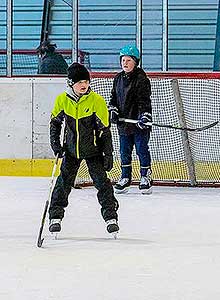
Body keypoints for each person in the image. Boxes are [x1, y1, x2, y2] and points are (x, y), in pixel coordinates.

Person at [48, 62, 119, 236]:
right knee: (63, 183)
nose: (84, 85)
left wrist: (107, 153)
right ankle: (55, 217)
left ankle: (111, 217)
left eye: (86, 81)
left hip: (93, 151)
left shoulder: (97, 101)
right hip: (71, 150)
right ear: (71, 83)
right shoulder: (62, 100)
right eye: (80, 82)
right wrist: (56, 144)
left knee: (102, 184)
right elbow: (55, 124)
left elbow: (104, 131)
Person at [108, 45, 153, 194]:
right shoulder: (118, 78)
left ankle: (145, 176)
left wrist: (144, 116)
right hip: (124, 124)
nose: (125, 63)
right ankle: (125, 177)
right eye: (123, 60)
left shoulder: (141, 79)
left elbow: (144, 101)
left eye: (128, 60)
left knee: (141, 150)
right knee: (124, 151)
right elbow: (113, 98)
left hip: (139, 124)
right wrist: (113, 111)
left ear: (136, 62)